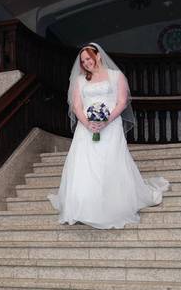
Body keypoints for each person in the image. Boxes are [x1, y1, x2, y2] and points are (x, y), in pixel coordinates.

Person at [48, 43, 169, 228]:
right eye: (83, 61)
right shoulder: (80, 80)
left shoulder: (116, 76)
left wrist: (106, 121)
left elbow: (121, 102)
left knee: (110, 162)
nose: (86, 63)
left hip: (111, 126)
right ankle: (83, 207)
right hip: (86, 128)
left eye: (89, 58)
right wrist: (87, 123)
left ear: (98, 56)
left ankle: (111, 206)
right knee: (85, 165)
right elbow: (77, 106)